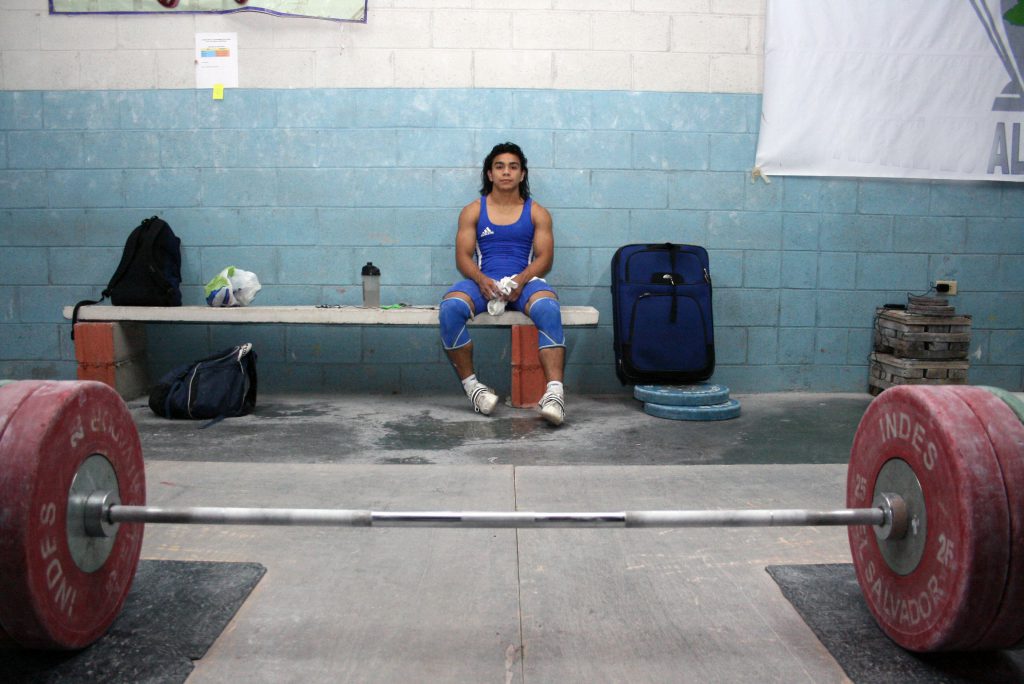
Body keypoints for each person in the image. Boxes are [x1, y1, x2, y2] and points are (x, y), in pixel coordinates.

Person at [438, 142, 567, 426]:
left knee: (548, 307)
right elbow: (463, 257)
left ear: (522, 174)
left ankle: (555, 395)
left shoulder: (537, 213)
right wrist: (481, 279)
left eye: (513, 167)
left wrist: (521, 280)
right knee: (451, 307)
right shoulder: (473, 211)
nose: (506, 172)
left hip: (524, 283)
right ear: (490, 174)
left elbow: (545, 258)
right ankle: (474, 389)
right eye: (499, 167)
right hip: (485, 283)